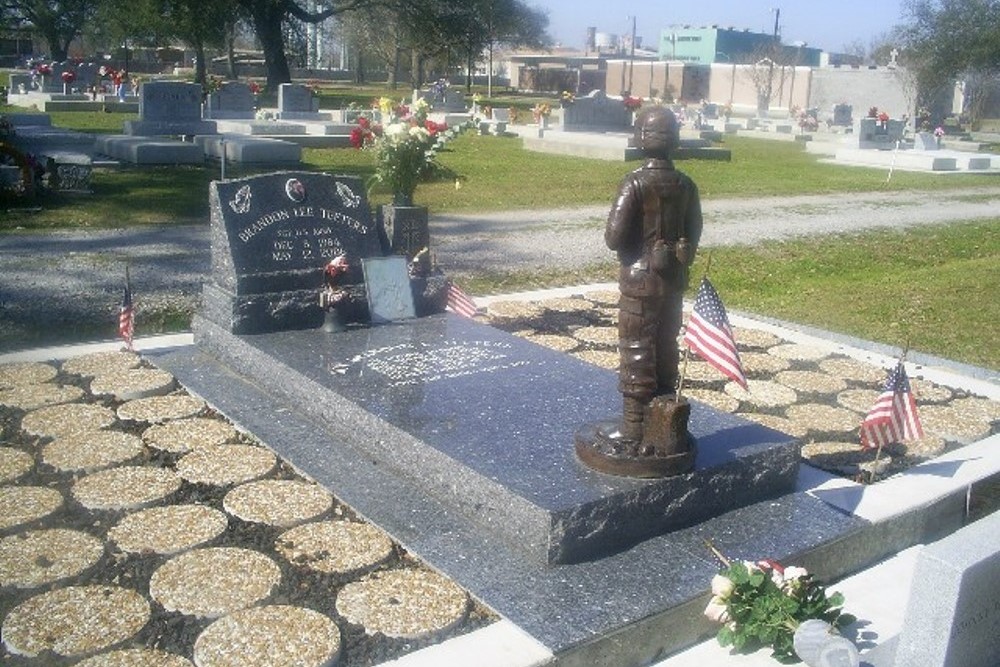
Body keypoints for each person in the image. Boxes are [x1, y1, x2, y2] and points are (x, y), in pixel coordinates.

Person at [605, 105, 703, 446]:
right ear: (674, 141)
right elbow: (695, 229)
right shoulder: (687, 185)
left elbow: (614, 237)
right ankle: (664, 429)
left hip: (638, 285)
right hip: (672, 281)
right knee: (666, 346)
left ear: (640, 138)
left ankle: (634, 429)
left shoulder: (633, 183)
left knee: (636, 348)